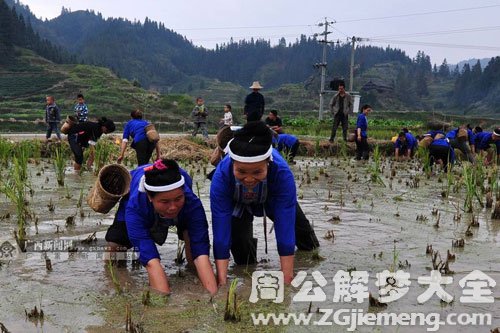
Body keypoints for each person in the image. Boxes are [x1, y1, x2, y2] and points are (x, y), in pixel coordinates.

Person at [210, 121, 319, 286]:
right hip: (237, 202)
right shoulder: (222, 178)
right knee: (242, 256)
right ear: (232, 164)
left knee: (307, 242)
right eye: (241, 171)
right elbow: (221, 234)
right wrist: (222, 284)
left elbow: (285, 232)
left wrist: (287, 281)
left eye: (257, 172)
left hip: (272, 198)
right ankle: (248, 272)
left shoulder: (282, 174)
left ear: (268, 162)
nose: (248, 178)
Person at [105, 159, 217, 295]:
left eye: (178, 199)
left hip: (184, 210)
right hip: (139, 206)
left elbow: (201, 254)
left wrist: (213, 296)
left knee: (193, 254)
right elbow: (150, 260)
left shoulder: (191, 203)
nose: (173, 207)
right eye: (165, 201)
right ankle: (113, 280)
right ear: (150, 197)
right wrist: (164, 300)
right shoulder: (135, 208)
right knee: (114, 249)